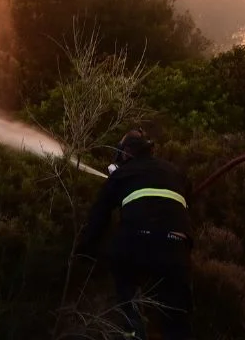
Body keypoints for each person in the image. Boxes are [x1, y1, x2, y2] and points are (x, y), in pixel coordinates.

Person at [74, 129, 195, 340]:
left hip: (137, 243)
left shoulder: (121, 174)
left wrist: (84, 250)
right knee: (178, 316)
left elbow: (98, 216)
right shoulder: (175, 171)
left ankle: (133, 330)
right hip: (177, 247)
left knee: (125, 284)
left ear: (126, 152)